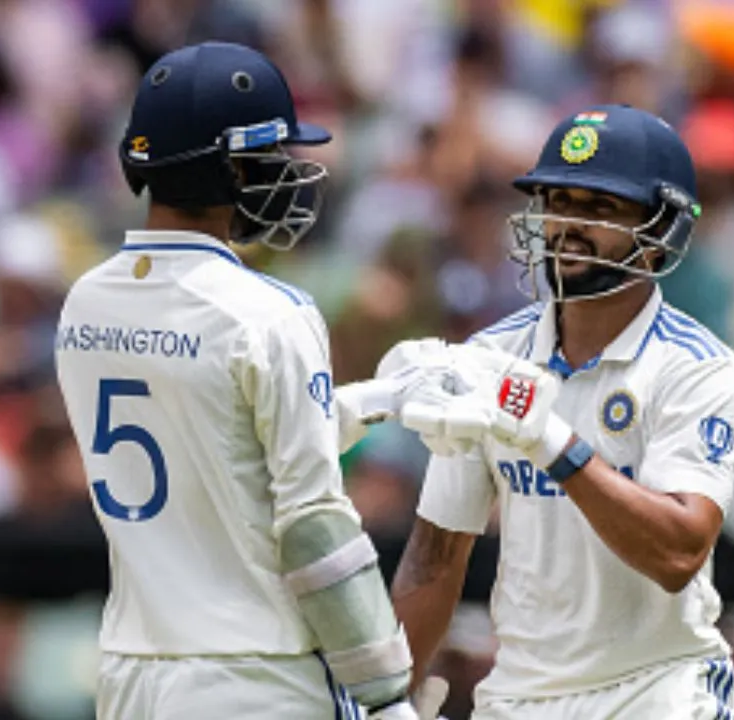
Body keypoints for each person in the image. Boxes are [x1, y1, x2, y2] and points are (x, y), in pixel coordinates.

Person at [54, 41, 453, 720]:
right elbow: (314, 530)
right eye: (270, 156)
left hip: (130, 671)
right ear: (231, 166)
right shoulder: (270, 314)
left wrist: (372, 402)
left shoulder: (86, 304)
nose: (286, 173)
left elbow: (212, 446)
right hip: (254, 677)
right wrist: (388, 697)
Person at [390, 104, 734, 719]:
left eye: (601, 207)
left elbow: (678, 554)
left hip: (658, 692)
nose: (569, 226)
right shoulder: (490, 358)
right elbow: (436, 555)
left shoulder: (699, 371)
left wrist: (553, 444)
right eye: (559, 202)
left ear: (661, 230)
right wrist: (384, 695)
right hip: (521, 698)